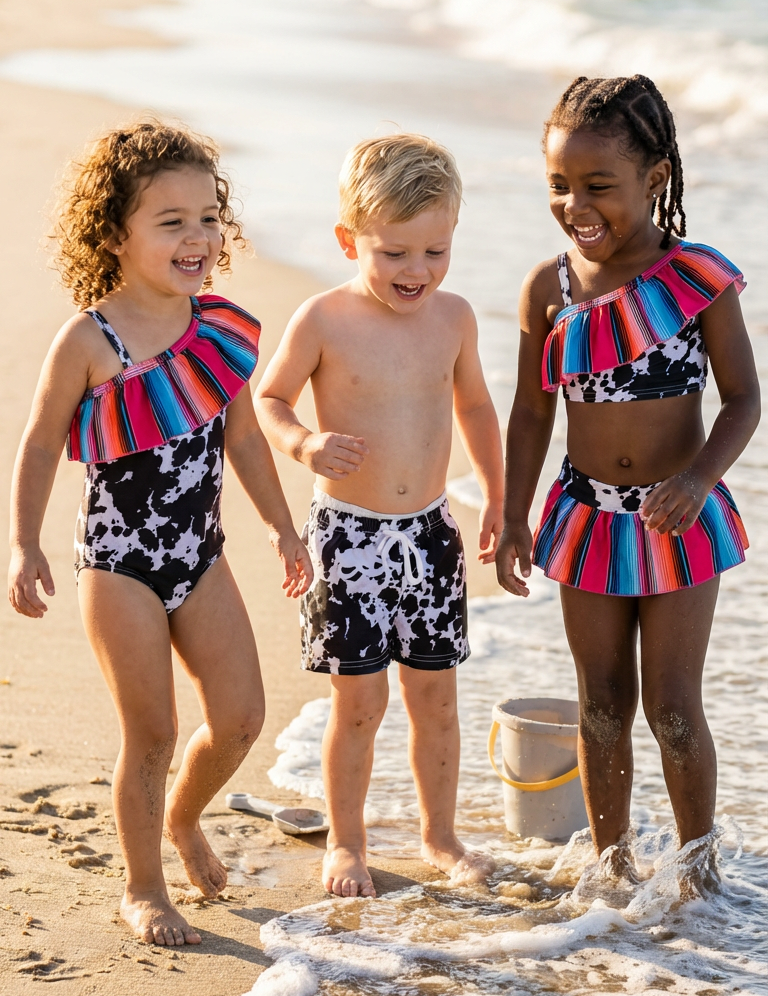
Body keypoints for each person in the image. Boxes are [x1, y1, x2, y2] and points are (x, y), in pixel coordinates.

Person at [7, 121, 312, 945]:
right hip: (117, 563)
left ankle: (184, 818)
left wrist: (284, 529)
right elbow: (39, 444)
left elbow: (244, 439)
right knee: (153, 732)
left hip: (198, 555)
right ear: (115, 233)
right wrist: (25, 543)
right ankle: (143, 887)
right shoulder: (89, 339)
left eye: (209, 217)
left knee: (241, 716)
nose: (198, 237)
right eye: (170, 221)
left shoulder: (219, 329)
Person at [496, 76, 760, 870]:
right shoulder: (550, 289)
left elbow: (744, 400)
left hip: (678, 522)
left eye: (598, 186)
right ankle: (609, 872)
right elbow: (532, 414)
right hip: (587, 520)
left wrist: (699, 481)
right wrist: (513, 517)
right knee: (602, 704)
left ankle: (696, 875)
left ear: (655, 179)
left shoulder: (696, 281)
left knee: (673, 709)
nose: (576, 203)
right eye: (559, 184)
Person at [255, 134, 503, 897]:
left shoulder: (453, 318)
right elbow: (268, 400)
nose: (417, 271)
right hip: (349, 539)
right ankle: (349, 844)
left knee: (437, 698)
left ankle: (440, 836)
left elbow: (474, 404)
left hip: (430, 535)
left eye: (436, 250)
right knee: (359, 701)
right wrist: (304, 444)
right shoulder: (324, 319)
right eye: (395, 253)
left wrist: (496, 490)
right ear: (349, 240)